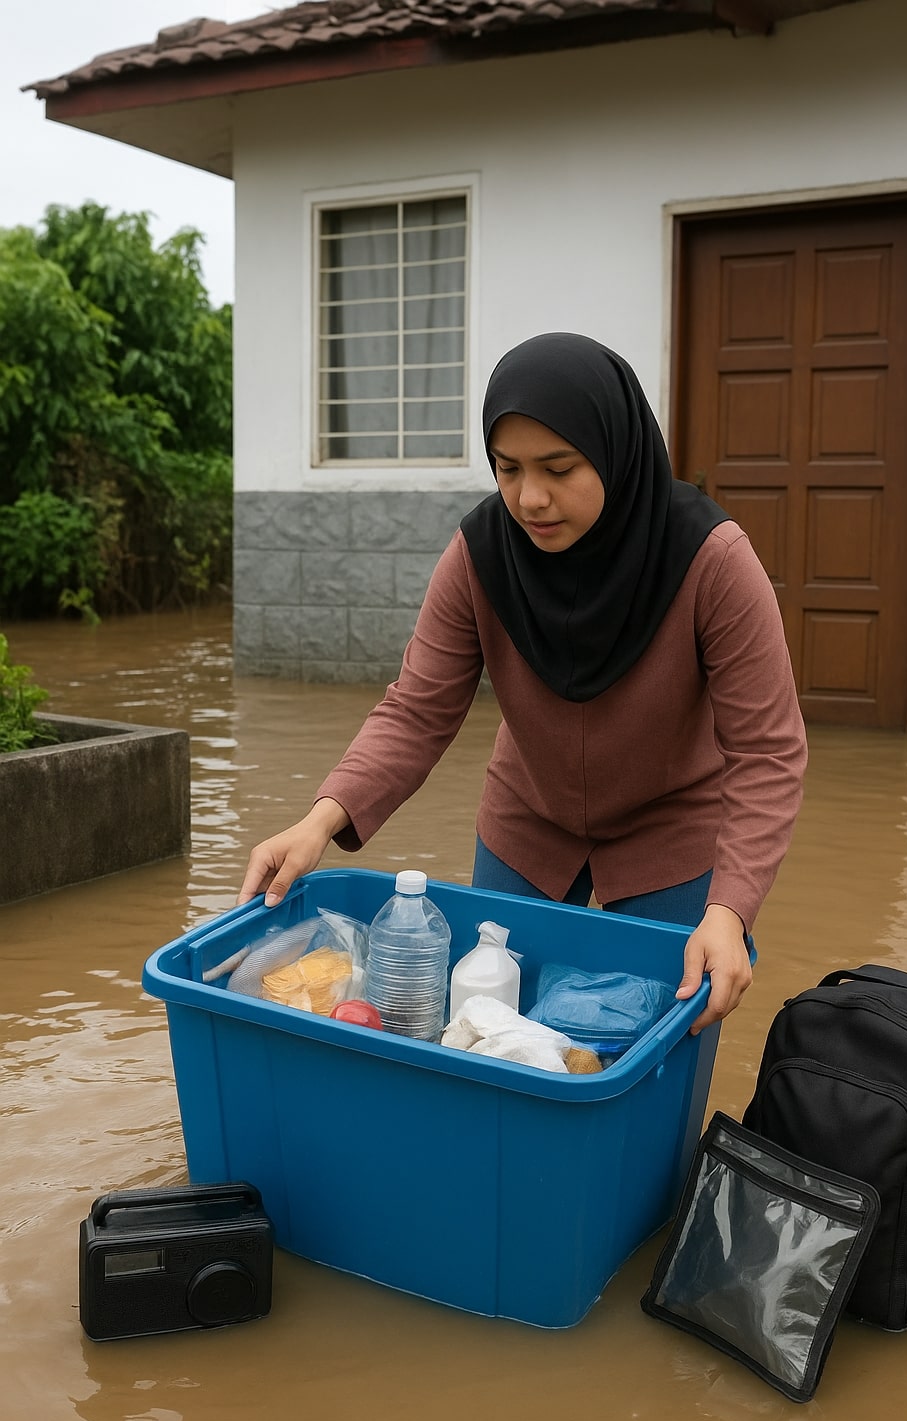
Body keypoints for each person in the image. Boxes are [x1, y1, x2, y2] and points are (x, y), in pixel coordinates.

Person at [237, 332, 807, 1033]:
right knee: (489, 1024)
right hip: (528, 822)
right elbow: (417, 710)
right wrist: (318, 821)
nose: (530, 498)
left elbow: (769, 753)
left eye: (559, 468)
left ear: (614, 451)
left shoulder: (710, 560)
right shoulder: (481, 556)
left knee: (647, 1029)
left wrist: (729, 911)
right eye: (507, 469)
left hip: (673, 829)